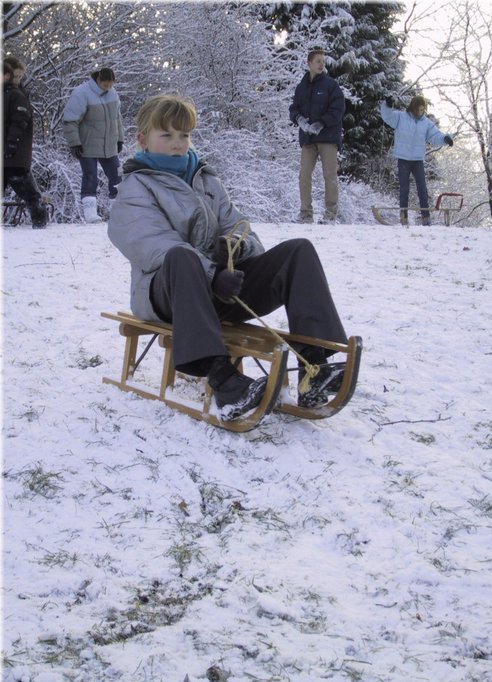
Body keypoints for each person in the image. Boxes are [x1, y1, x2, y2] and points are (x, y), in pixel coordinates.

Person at [108, 94, 350, 419]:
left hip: (221, 290)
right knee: (180, 256)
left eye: (184, 134)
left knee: (298, 251)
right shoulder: (135, 188)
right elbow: (153, 245)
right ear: (142, 139)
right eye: (166, 135)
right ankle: (224, 380)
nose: (177, 143)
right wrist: (212, 276)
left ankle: (315, 366)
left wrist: (235, 245)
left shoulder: (206, 180)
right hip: (167, 295)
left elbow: (241, 227)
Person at [289, 48, 345, 223]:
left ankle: (330, 215)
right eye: (318, 61)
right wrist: (300, 120)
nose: (321, 64)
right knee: (304, 175)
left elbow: (338, 109)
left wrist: (321, 123)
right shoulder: (301, 87)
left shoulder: (331, 85)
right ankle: (305, 213)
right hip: (308, 138)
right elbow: (293, 108)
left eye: (323, 61)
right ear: (309, 63)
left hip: (328, 137)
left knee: (330, 175)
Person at [63, 67, 124, 223]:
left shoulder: (113, 93)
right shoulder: (82, 93)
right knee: (90, 177)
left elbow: (117, 118)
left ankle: (118, 212)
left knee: (117, 176)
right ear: (98, 80)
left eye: (111, 85)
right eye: (105, 85)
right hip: (87, 144)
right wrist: (74, 143)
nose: (108, 88)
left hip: (109, 145)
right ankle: (90, 213)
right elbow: (70, 120)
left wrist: (120, 139)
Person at [380, 95, 454, 225]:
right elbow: (388, 116)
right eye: (418, 109)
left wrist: (445, 139)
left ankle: (426, 219)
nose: (420, 112)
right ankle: (403, 218)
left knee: (422, 189)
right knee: (404, 189)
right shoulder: (401, 117)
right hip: (403, 158)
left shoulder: (426, 123)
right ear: (412, 108)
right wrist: (387, 105)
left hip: (417, 160)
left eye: (422, 110)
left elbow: (435, 135)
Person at [3, 59, 47, 229]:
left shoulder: (17, 94)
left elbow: (20, 120)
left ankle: (40, 222)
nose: (18, 80)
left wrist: (13, 141)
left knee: (28, 191)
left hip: (15, 153)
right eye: (15, 76)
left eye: (20, 77)